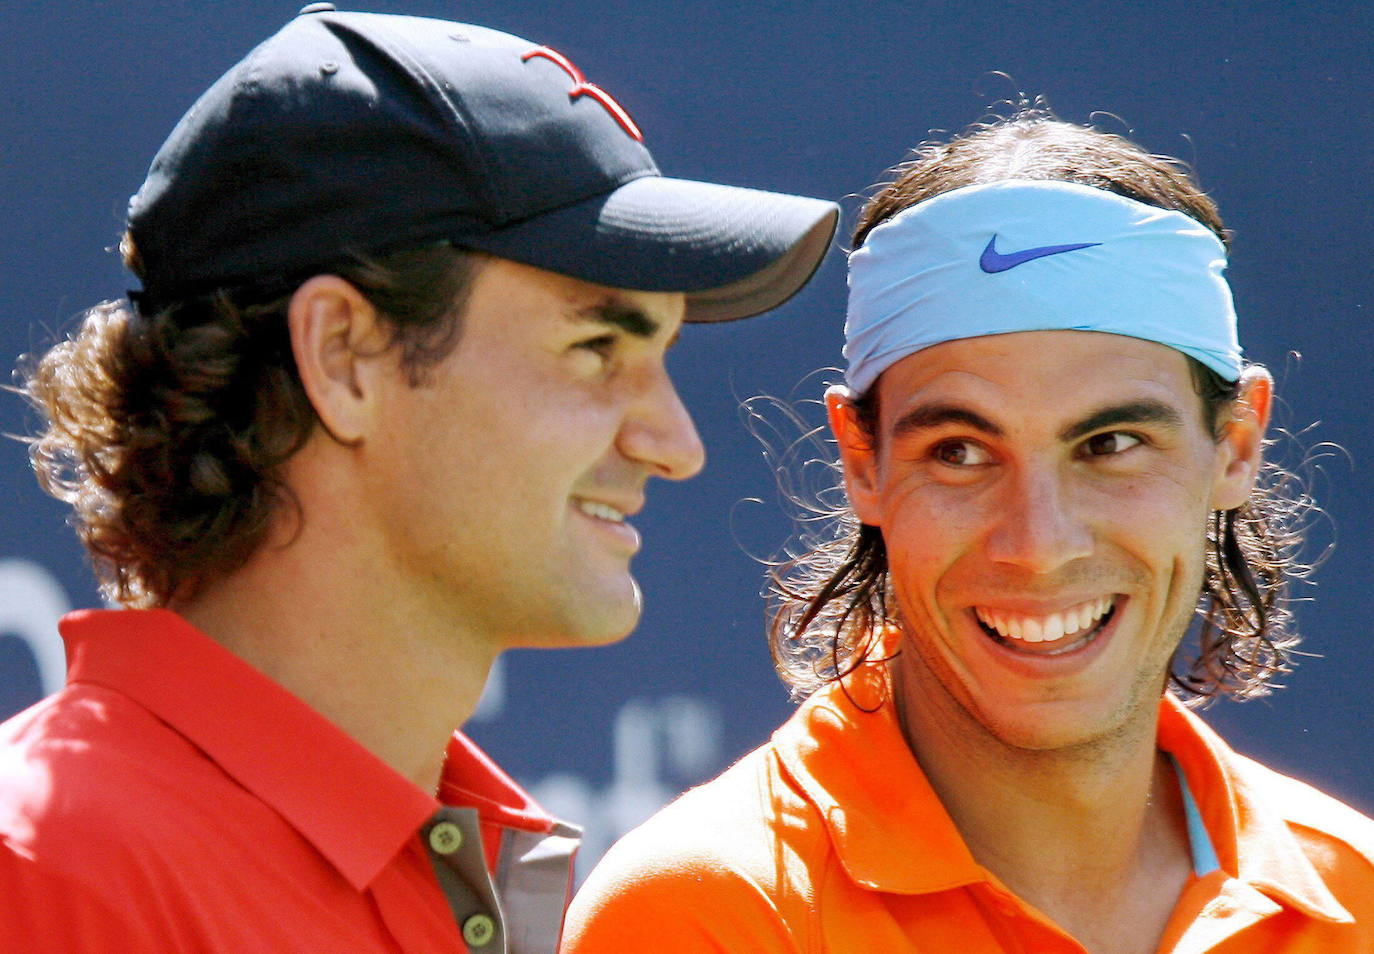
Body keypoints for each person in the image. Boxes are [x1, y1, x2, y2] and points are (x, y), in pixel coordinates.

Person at [0, 6, 837, 952]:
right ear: (346, 357)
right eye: (597, 347)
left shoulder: (485, 875)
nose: (676, 443)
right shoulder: (42, 870)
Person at [562, 111, 1374, 953]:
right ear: (862, 462)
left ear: (1235, 447)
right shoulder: (707, 915)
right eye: (959, 452)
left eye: (1112, 444)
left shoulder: (1356, 894)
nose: (1039, 542)